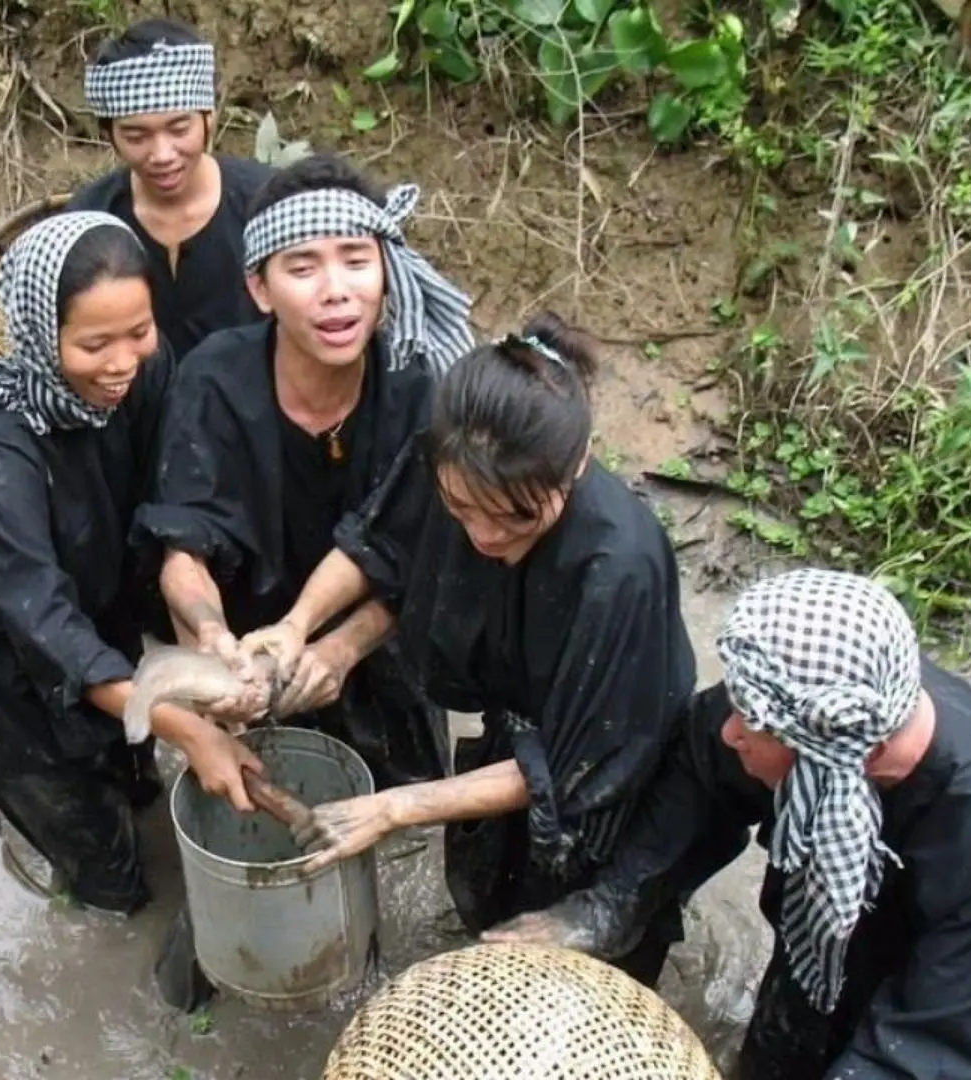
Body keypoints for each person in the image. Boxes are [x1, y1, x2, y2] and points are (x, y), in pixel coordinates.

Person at [494, 568, 971, 1080]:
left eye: (751, 724)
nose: (731, 731)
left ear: (830, 755)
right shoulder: (818, 694)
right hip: (845, 941)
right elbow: (700, 759)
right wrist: (607, 908)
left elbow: (921, 1053)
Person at [246, 314, 698, 986]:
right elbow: (380, 546)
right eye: (461, 509)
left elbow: (568, 775)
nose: (483, 535)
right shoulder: (451, 457)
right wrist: (298, 627)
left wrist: (394, 807)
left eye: (516, 516)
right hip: (515, 736)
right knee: (492, 916)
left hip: (608, 779)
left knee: (581, 966)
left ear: (575, 465)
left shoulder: (617, 573)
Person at [0, 210, 265, 916]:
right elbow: (44, 623)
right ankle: (82, 874)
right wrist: (189, 728)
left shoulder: (145, 374)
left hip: (107, 636)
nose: (121, 363)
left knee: (140, 788)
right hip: (12, 685)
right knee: (111, 884)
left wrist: (204, 642)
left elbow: (175, 500)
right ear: (36, 332)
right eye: (93, 344)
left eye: (138, 331)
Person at [134, 152, 476, 794]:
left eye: (355, 259)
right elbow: (183, 547)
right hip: (253, 645)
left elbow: (425, 561)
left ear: (386, 272)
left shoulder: (419, 389)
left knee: (399, 802)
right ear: (260, 289)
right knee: (252, 790)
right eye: (302, 267)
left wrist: (340, 650)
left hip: (379, 638)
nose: (336, 290)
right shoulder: (212, 380)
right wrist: (212, 636)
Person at [67, 18, 273, 362]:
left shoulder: (269, 203)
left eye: (179, 129)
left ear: (209, 118)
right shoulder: (90, 218)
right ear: (109, 136)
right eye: (136, 136)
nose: (162, 155)